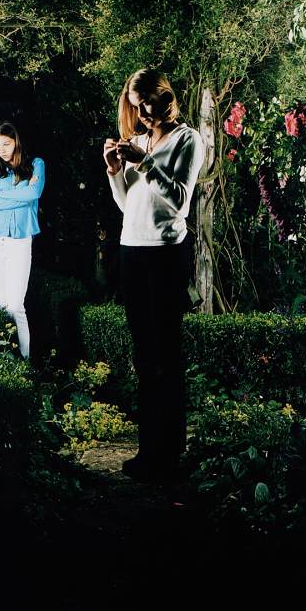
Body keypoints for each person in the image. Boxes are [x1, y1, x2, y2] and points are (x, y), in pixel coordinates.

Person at [103, 68, 204, 481]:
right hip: (131, 249)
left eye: (146, 101)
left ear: (165, 95)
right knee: (144, 356)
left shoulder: (187, 139)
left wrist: (144, 163)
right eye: (135, 104)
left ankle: (171, 452)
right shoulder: (138, 142)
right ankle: (149, 451)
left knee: (166, 354)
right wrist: (115, 171)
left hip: (165, 253)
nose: (142, 111)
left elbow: (180, 202)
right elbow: (128, 205)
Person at [0, 121, 45, 360]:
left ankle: (24, 363)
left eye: (6, 144)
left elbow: (34, 193)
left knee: (16, 306)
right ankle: (7, 361)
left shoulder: (36, 164)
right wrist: (20, 196)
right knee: (1, 305)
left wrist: (1, 196)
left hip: (19, 241)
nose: (2, 150)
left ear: (16, 141)